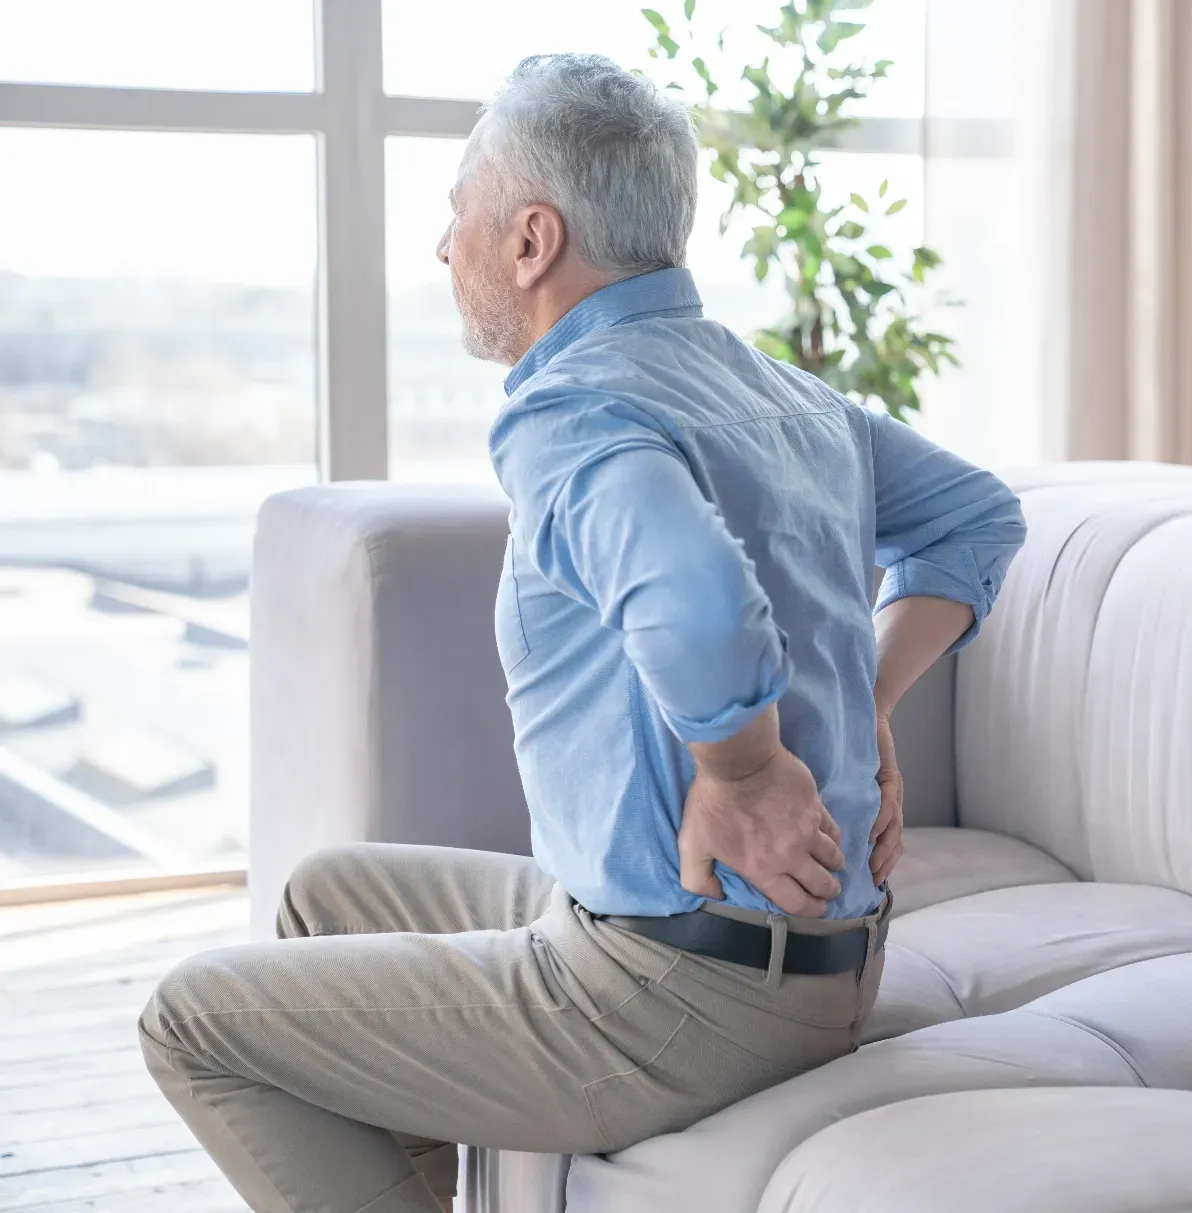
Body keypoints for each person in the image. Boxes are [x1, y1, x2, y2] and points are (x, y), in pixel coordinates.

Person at [138, 52, 1025, 1213]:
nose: (442, 246)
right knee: (325, 897)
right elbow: (977, 518)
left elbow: (698, 597)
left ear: (530, 240)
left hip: (673, 996)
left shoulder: (573, 403)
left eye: (460, 213)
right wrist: (864, 699)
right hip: (805, 967)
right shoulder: (780, 390)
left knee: (190, 1021)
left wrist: (745, 767)